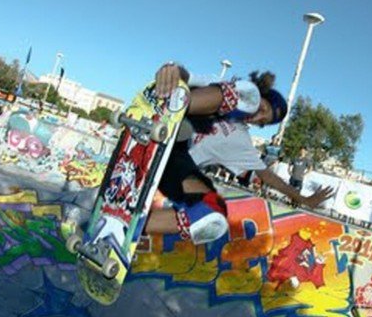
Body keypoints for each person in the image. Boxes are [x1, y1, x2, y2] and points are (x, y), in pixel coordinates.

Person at [142, 62, 333, 246]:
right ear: (263, 96)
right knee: (241, 97)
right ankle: (174, 108)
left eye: (262, 122)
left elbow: (266, 175)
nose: (257, 118)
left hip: (169, 164)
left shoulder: (241, 140)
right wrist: (173, 71)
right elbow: (186, 75)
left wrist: (303, 199)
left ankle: (133, 225)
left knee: (212, 214)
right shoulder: (224, 89)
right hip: (162, 125)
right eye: (263, 109)